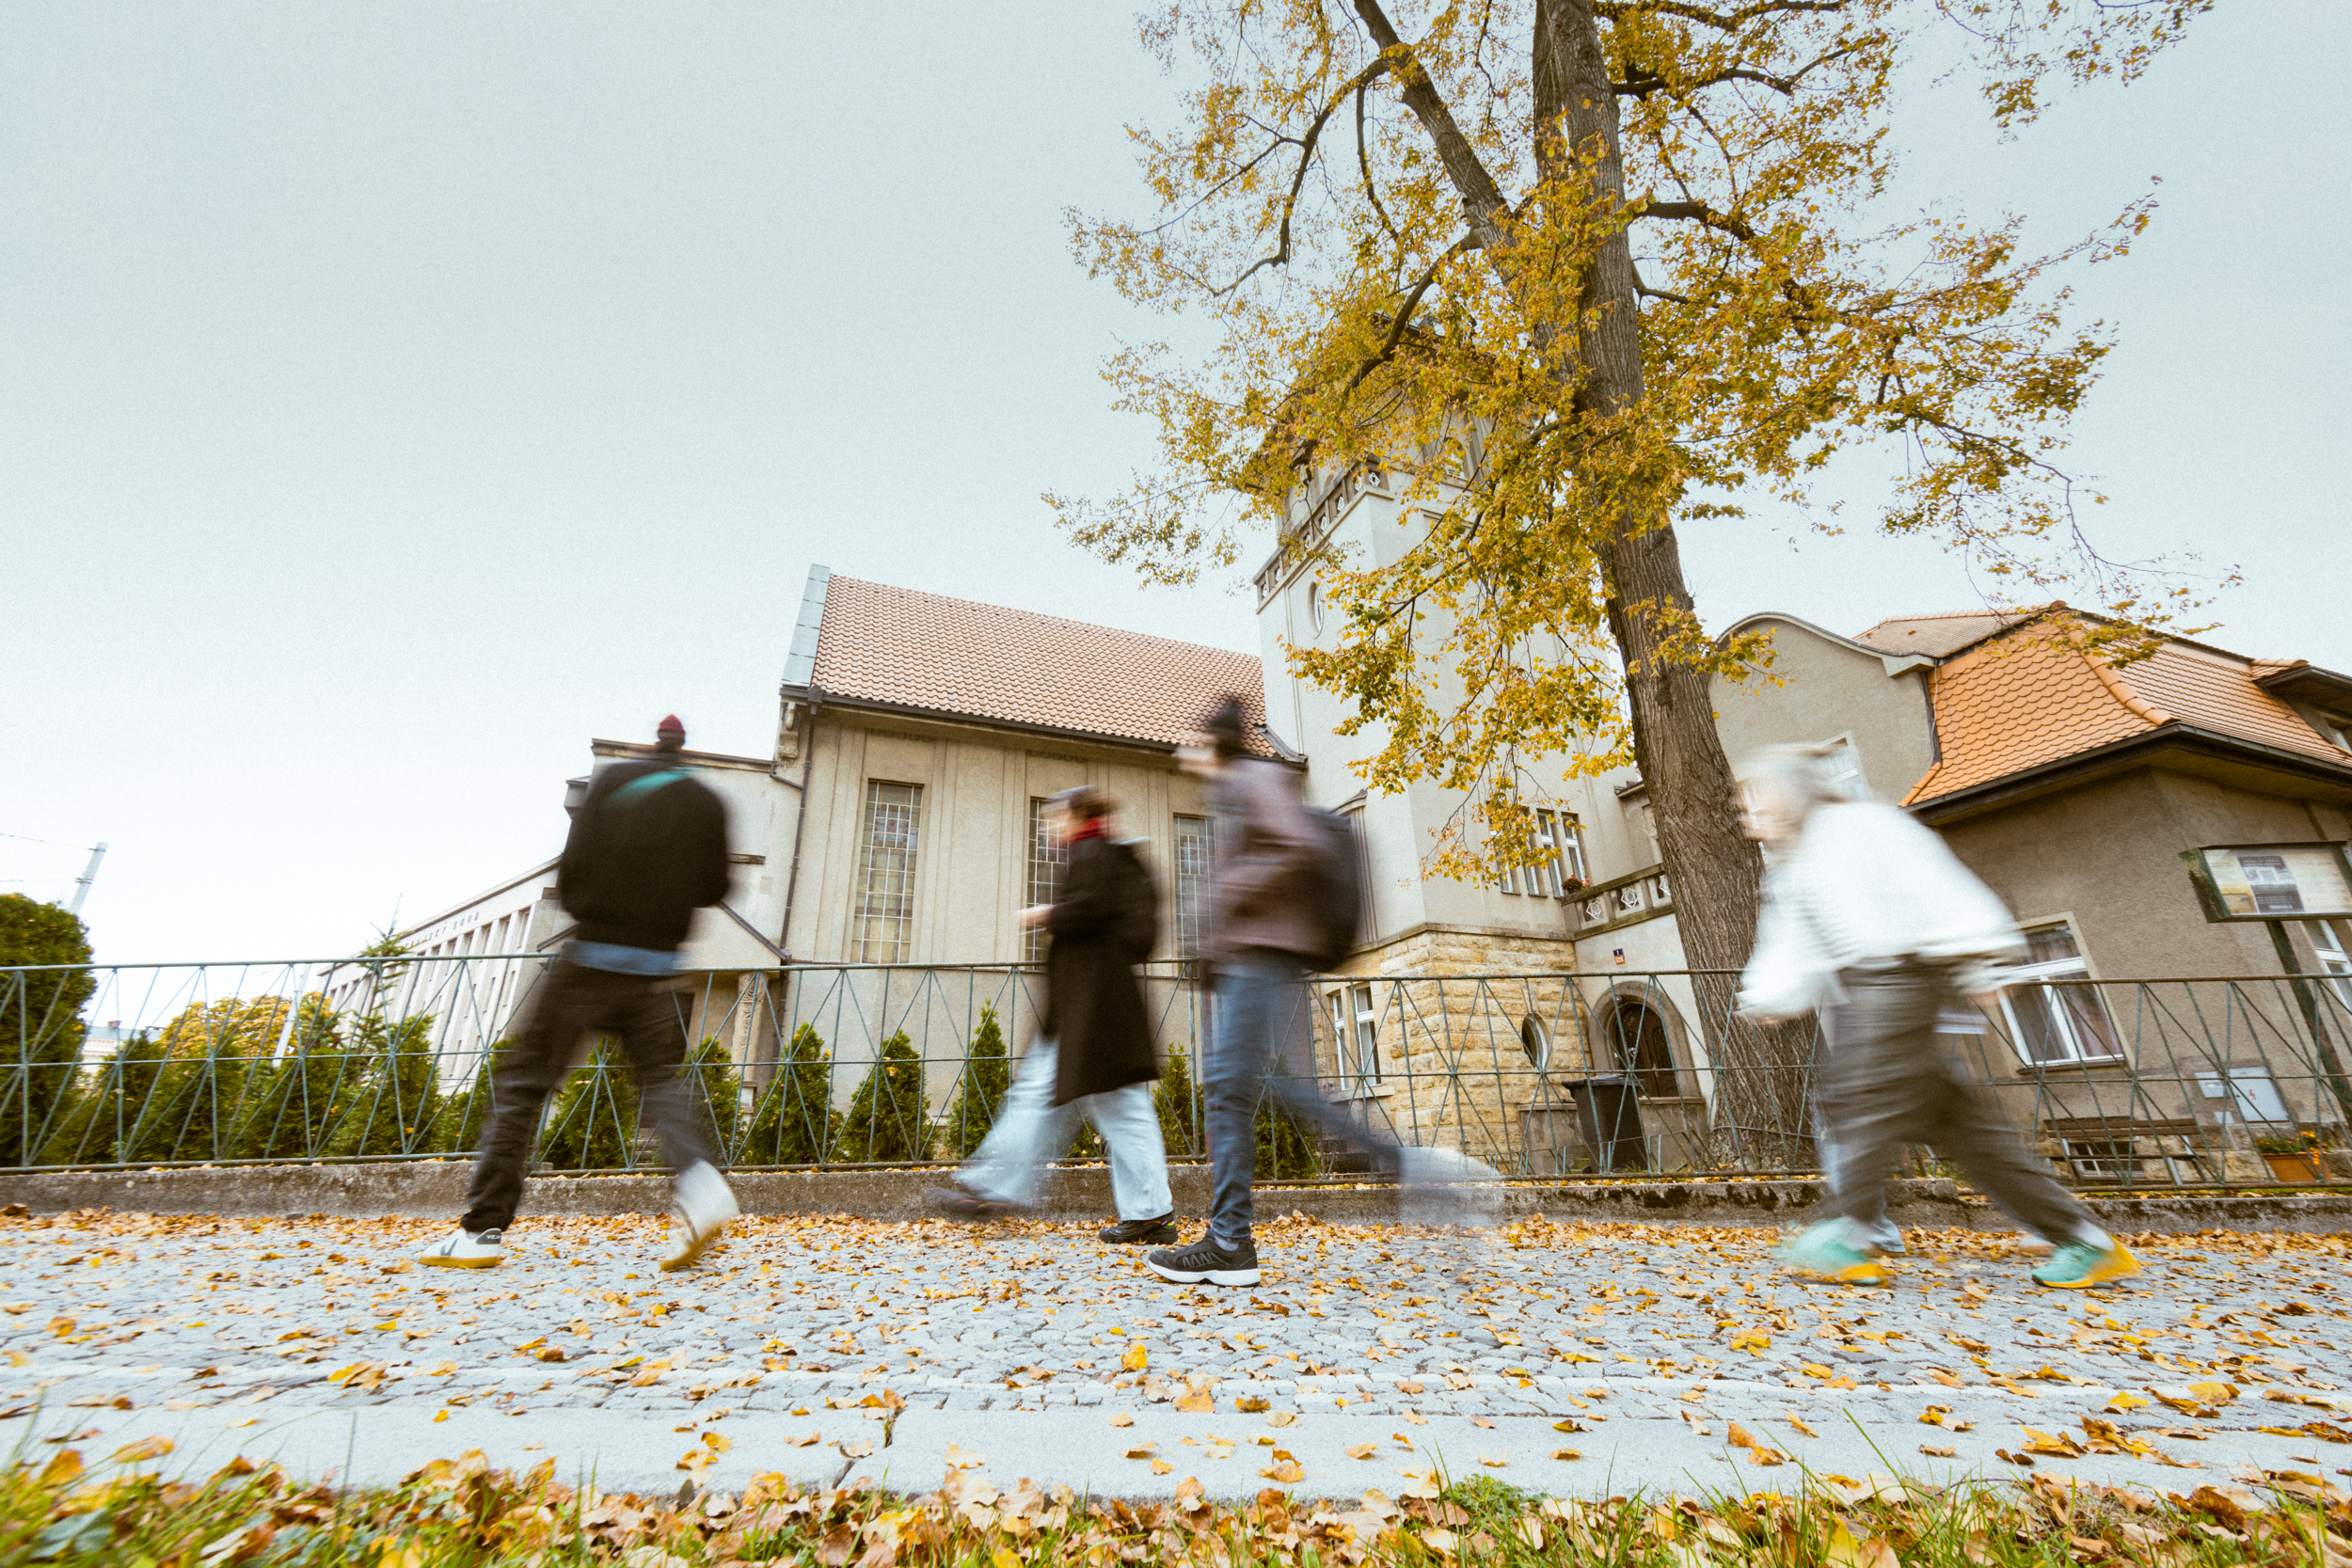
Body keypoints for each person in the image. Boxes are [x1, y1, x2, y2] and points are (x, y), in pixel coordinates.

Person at [1736, 744, 2137, 1290]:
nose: (1744, 809)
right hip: (1863, 990)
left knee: (1858, 1093)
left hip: (1900, 978)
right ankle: (2084, 1240)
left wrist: (1985, 960)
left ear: (1785, 792)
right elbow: (1794, 942)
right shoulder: (1795, 862)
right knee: (1963, 1128)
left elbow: (1936, 886)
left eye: (1753, 795)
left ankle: (1845, 1230)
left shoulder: (1866, 826)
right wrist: (1771, 996)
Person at [1146, 697, 1490, 1290]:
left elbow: (1297, 847)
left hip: (1264, 957)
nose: (1185, 754)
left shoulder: (1253, 778)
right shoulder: (1238, 792)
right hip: (1258, 960)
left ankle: (1231, 1242)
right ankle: (1423, 1172)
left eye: (1194, 743)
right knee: (1287, 1091)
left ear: (1214, 746)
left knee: (1230, 1090)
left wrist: (1230, 897)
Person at [420, 715, 741, 1273]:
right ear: (685, 751)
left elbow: (571, 871)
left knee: (523, 1085)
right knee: (660, 1086)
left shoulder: (614, 782)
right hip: (657, 969)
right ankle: (701, 1185)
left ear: (652, 744)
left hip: (589, 957)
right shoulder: (708, 802)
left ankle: (480, 1231)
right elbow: (716, 887)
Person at [923, 785, 1177, 1241]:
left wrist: (1045, 914)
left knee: (1082, 1102)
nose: (1049, 826)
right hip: (1090, 1011)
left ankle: (993, 1188)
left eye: (1054, 817)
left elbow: (1091, 910)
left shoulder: (1093, 852)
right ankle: (1146, 1212)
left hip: (1092, 1012)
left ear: (1077, 817)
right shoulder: (1102, 852)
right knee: (1081, 1103)